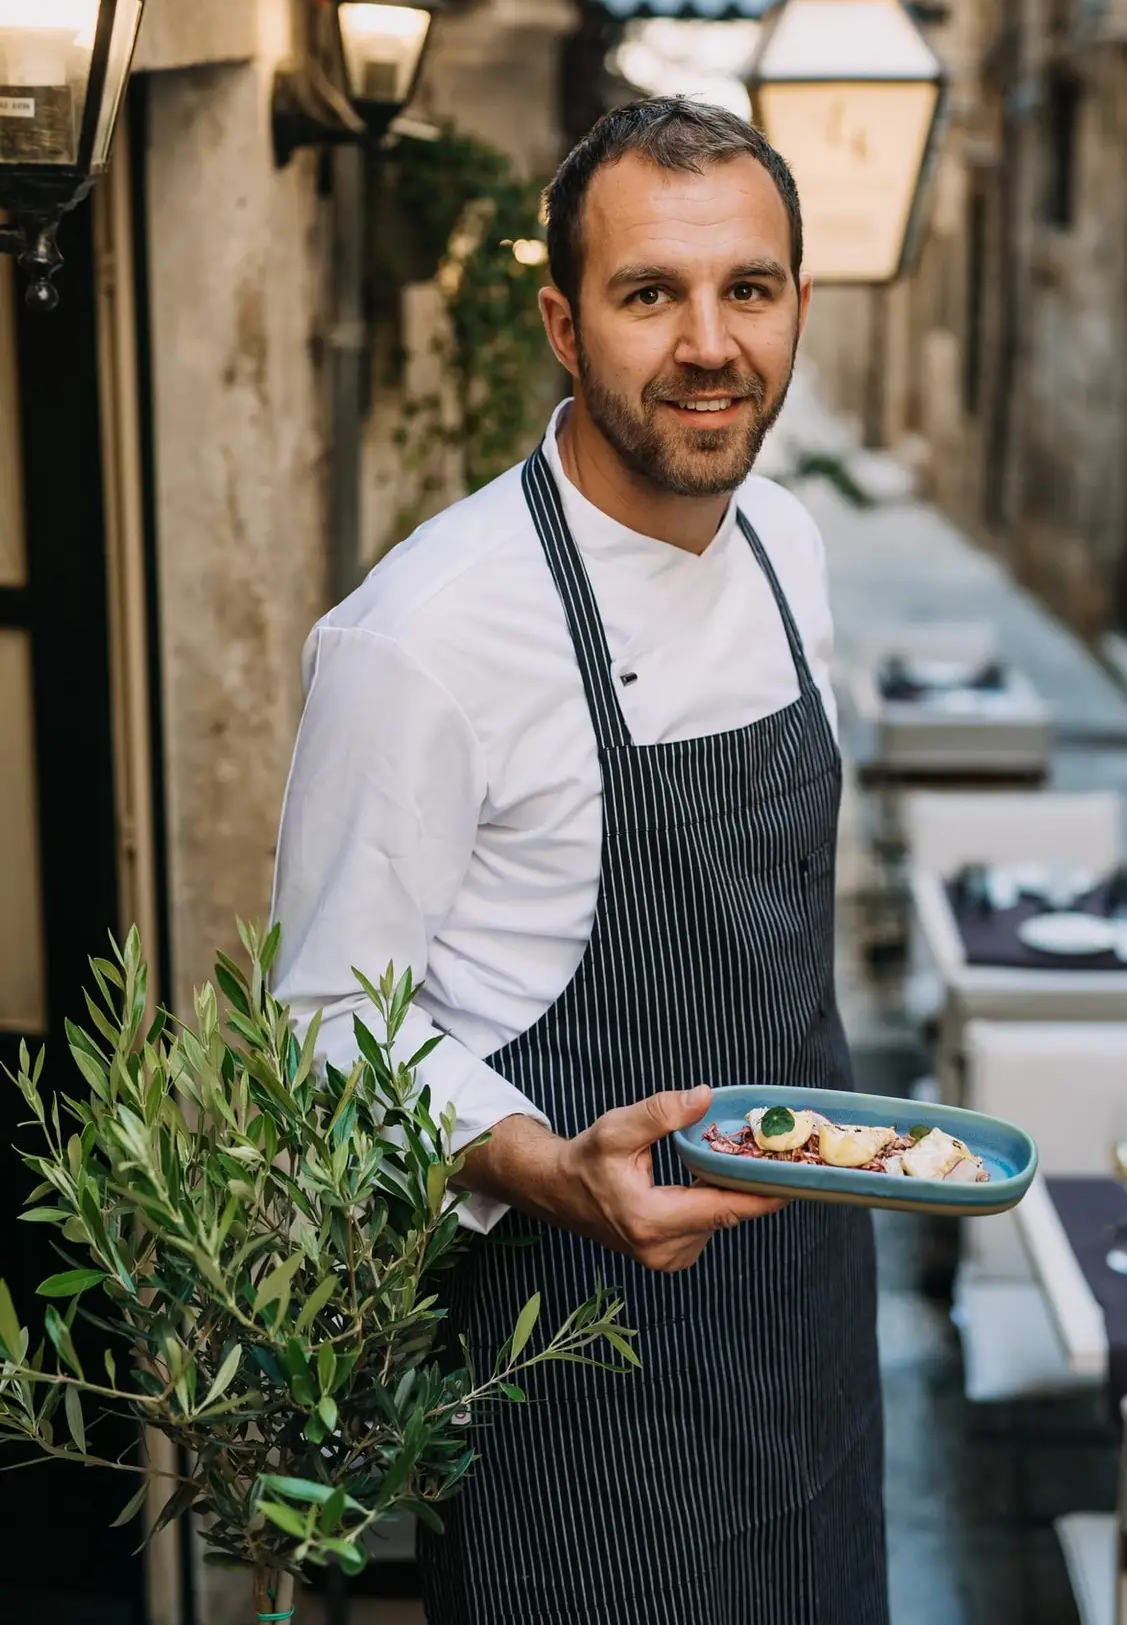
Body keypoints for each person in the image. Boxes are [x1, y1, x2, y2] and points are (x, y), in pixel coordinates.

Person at [272, 98, 887, 1624]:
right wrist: (547, 1170)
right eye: (646, 295)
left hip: (804, 1322)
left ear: (795, 306)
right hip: (574, 1367)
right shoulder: (421, 636)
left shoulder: (787, 547)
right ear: (561, 320)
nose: (707, 344)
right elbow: (324, 1023)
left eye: (746, 290)